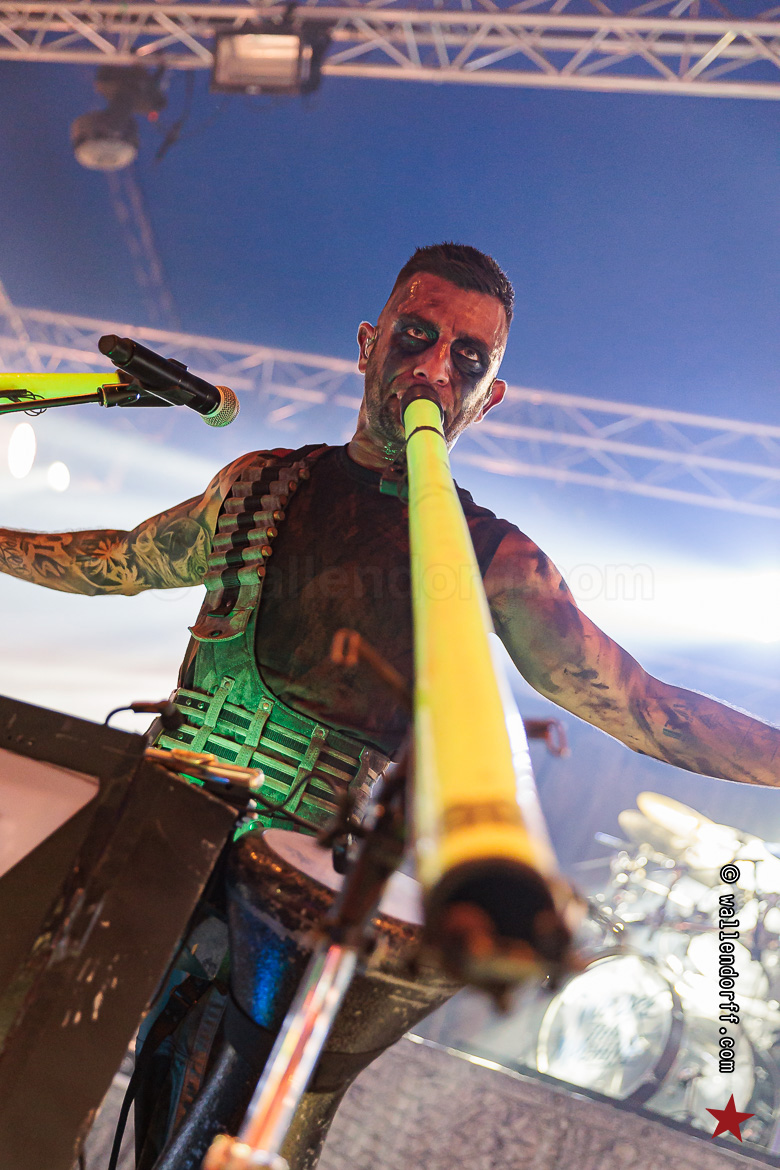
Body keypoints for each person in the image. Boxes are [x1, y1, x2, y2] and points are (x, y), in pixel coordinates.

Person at [1, 244, 778, 1165]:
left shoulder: (493, 559)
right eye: (417, 334)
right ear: (369, 343)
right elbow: (118, 560)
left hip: (290, 910)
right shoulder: (257, 484)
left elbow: (642, 706)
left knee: (202, 1143)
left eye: (467, 357)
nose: (435, 366)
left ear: (488, 398)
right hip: (149, 839)